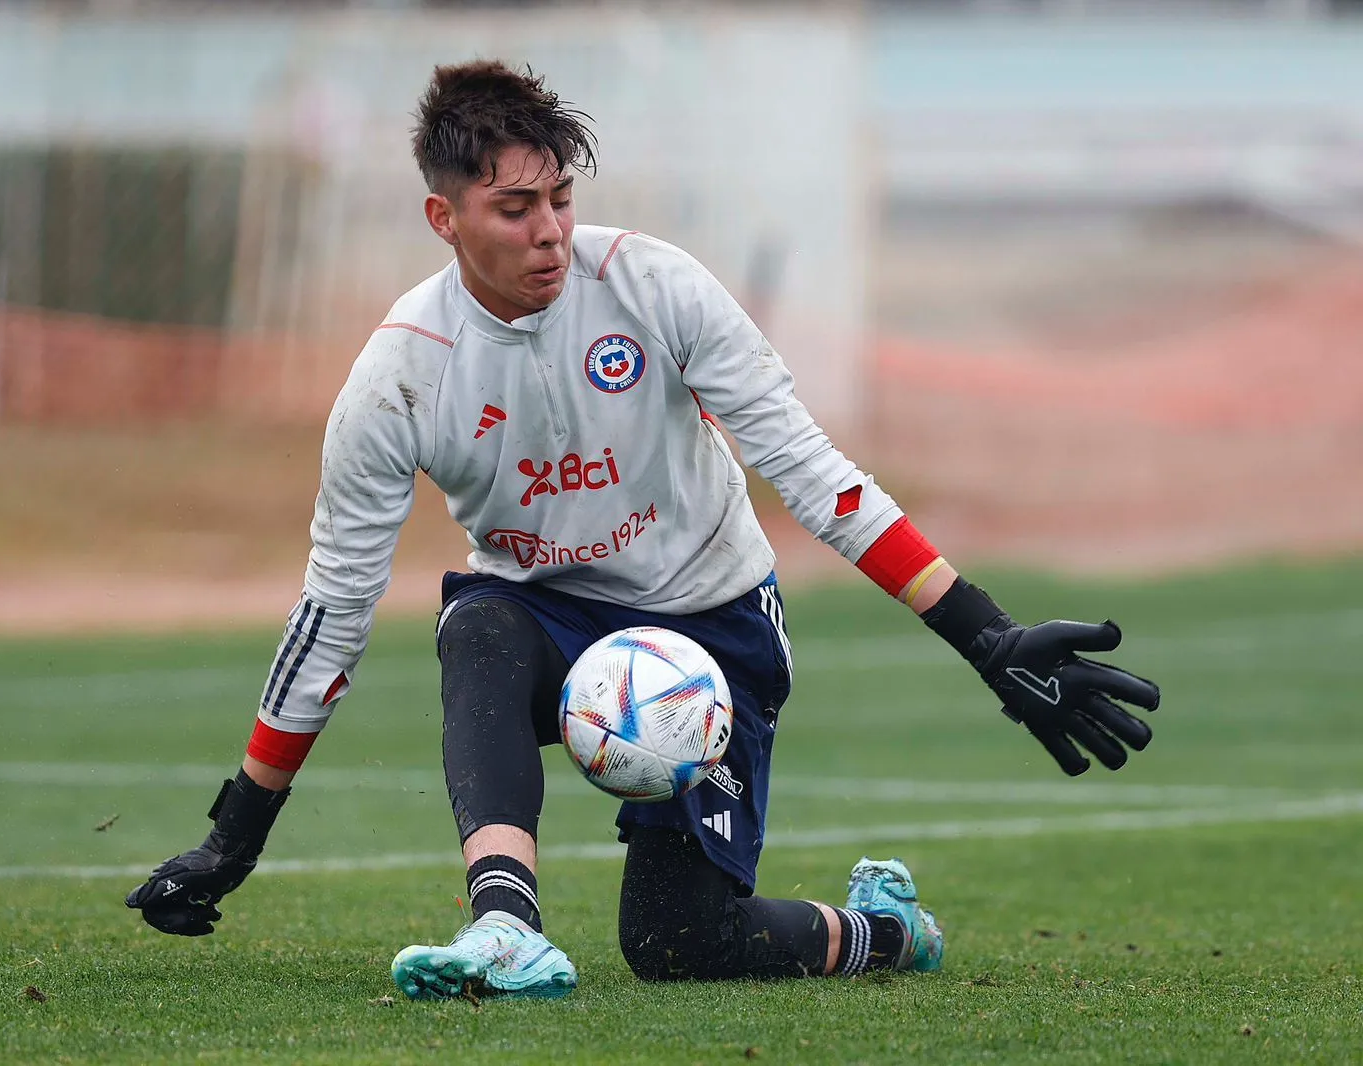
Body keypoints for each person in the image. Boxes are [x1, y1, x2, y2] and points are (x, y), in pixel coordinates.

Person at [126, 60, 1161, 999]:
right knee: (476, 627)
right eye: (514, 207)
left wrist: (984, 636)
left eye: (561, 199)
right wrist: (235, 833)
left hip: (711, 626)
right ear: (443, 218)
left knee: (679, 944)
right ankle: (503, 926)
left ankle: (882, 930)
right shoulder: (399, 376)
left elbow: (814, 475)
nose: (549, 231)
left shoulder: (654, 287)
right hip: (543, 617)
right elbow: (334, 609)